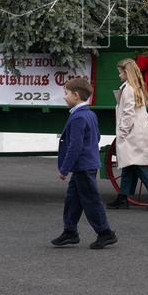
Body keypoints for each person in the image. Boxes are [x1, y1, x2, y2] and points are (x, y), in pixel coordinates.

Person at [51, 77, 117, 249]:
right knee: (73, 199)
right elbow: (97, 137)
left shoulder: (78, 118)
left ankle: (105, 233)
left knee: (91, 200)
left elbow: (75, 146)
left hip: (83, 166)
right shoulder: (89, 114)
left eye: (66, 93)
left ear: (76, 95)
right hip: (86, 165)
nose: (64, 97)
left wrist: (64, 169)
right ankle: (70, 231)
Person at [107, 59, 148, 211]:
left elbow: (128, 113)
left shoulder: (128, 89)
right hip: (139, 129)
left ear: (127, 73)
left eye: (120, 72)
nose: (119, 75)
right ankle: (123, 197)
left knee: (138, 165)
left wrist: (122, 132)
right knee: (130, 163)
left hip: (132, 131)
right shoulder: (136, 87)